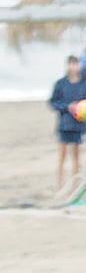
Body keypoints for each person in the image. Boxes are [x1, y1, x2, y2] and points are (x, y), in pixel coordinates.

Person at [49, 55, 86, 193]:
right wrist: (67, 107)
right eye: (71, 64)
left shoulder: (83, 83)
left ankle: (75, 185)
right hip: (64, 124)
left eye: (76, 64)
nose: (74, 67)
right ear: (67, 66)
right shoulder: (61, 83)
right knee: (62, 156)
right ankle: (59, 185)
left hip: (78, 124)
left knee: (76, 157)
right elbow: (53, 102)